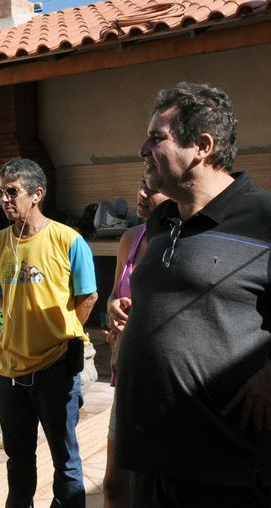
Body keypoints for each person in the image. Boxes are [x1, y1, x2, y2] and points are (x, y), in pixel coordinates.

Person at [115, 82, 271, 507]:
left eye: (157, 137)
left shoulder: (262, 216)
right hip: (150, 454)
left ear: (202, 146)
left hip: (224, 464)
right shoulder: (162, 221)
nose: (144, 149)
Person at [0, 158, 98, 507]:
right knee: (18, 459)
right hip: (11, 372)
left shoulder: (68, 240)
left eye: (12, 191)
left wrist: (65, 335)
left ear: (37, 194)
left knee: (65, 458)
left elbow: (89, 295)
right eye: (0, 191)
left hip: (55, 367)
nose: (4, 198)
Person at [102, 177, 167, 508]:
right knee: (115, 484)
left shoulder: (180, 241)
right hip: (126, 374)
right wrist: (113, 306)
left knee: (155, 483)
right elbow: (115, 293)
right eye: (140, 184)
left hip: (162, 379)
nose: (140, 193)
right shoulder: (131, 238)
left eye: (151, 189)